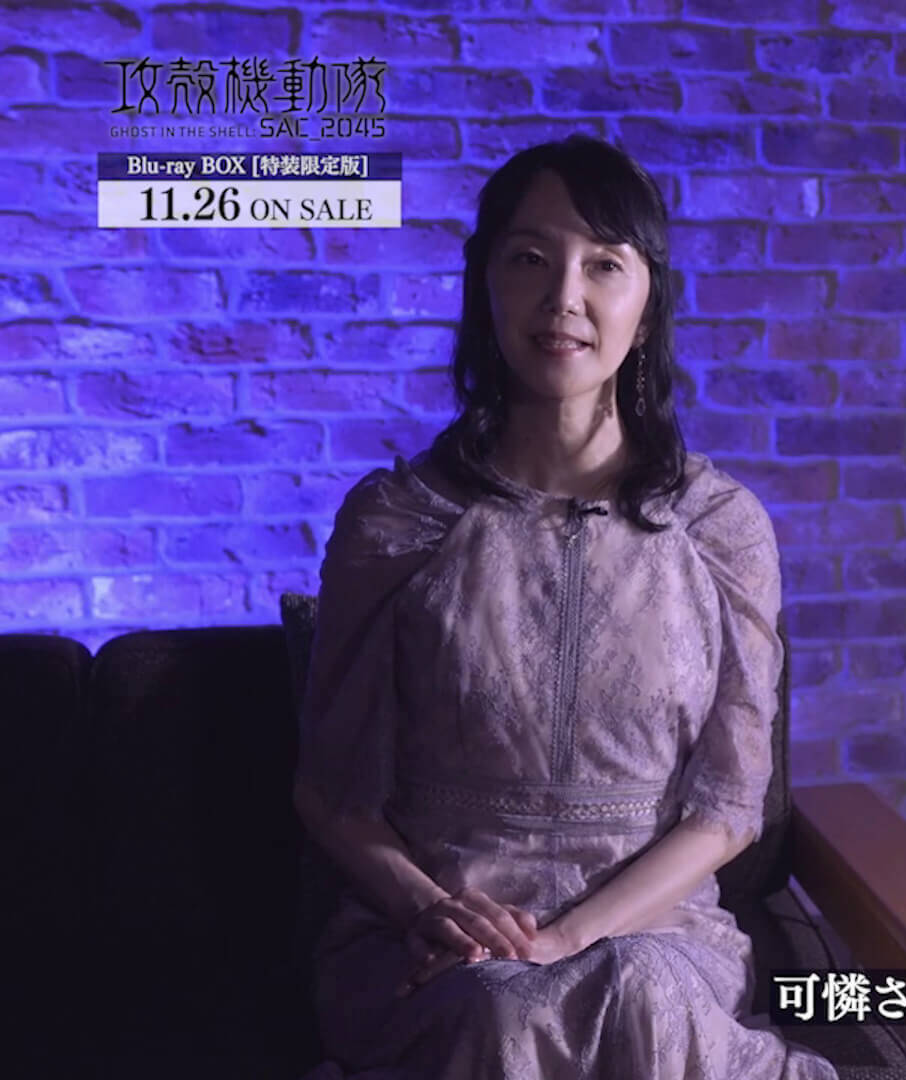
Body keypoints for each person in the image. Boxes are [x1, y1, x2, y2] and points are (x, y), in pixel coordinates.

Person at [291, 136, 836, 1079]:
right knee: (501, 1014)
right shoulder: (398, 523)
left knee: (643, 994)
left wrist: (570, 937)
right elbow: (332, 796)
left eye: (604, 265)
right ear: (486, 285)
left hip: (656, 935)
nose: (564, 297)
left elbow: (728, 809)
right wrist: (432, 909)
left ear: (647, 303)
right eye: (531, 258)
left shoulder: (720, 531)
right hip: (444, 939)